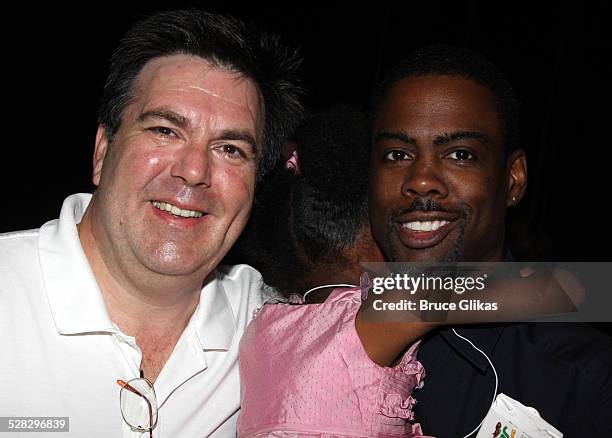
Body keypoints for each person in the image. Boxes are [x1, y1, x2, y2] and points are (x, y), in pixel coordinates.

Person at [0, 9, 302, 438]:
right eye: (165, 130)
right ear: (103, 150)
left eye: (230, 149)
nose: (195, 170)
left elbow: (414, 296)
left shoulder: (269, 317)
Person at [367, 45, 612, 437]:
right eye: (397, 154)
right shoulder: (312, 326)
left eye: (460, 154)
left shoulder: (583, 384)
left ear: (512, 179)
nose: (421, 179)